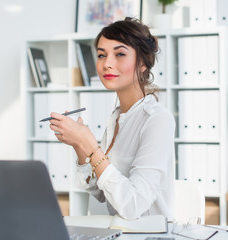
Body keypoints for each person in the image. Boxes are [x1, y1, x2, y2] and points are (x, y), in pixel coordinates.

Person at [49, 17, 175, 220]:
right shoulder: (116, 117)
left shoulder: (158, 120)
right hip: (117, 232)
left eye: (120, 54)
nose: (107, 64)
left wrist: (89, 144)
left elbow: (133, 206)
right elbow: (100, 192)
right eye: (101, 55)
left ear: (142, 63)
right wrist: (79, 146)